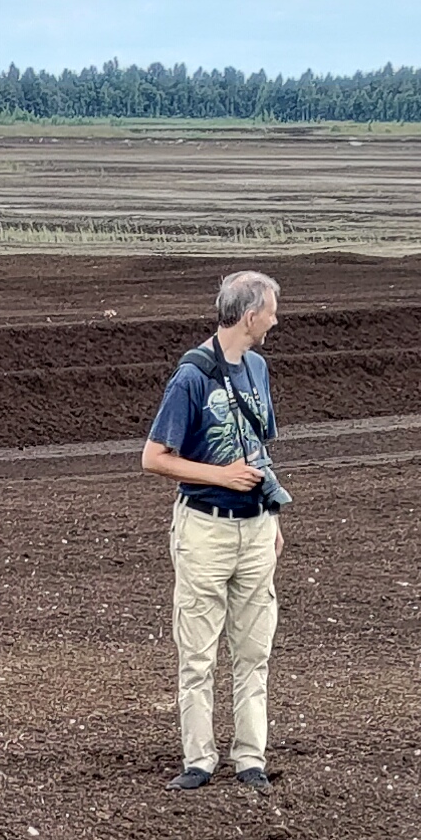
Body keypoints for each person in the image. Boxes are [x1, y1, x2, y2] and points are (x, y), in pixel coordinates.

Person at [140, 271, 286, 789]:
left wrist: (273, 517)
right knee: (198, 654)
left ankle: (251, 758)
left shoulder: (259, 369)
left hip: (254, 529)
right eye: (271, 309)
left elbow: (258, 448)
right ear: (250, 316)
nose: (275, 318)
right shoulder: (192, 376)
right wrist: (220, 477)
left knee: (254, 652)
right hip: (205, 529)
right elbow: (154, 458)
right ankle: (198, 760)